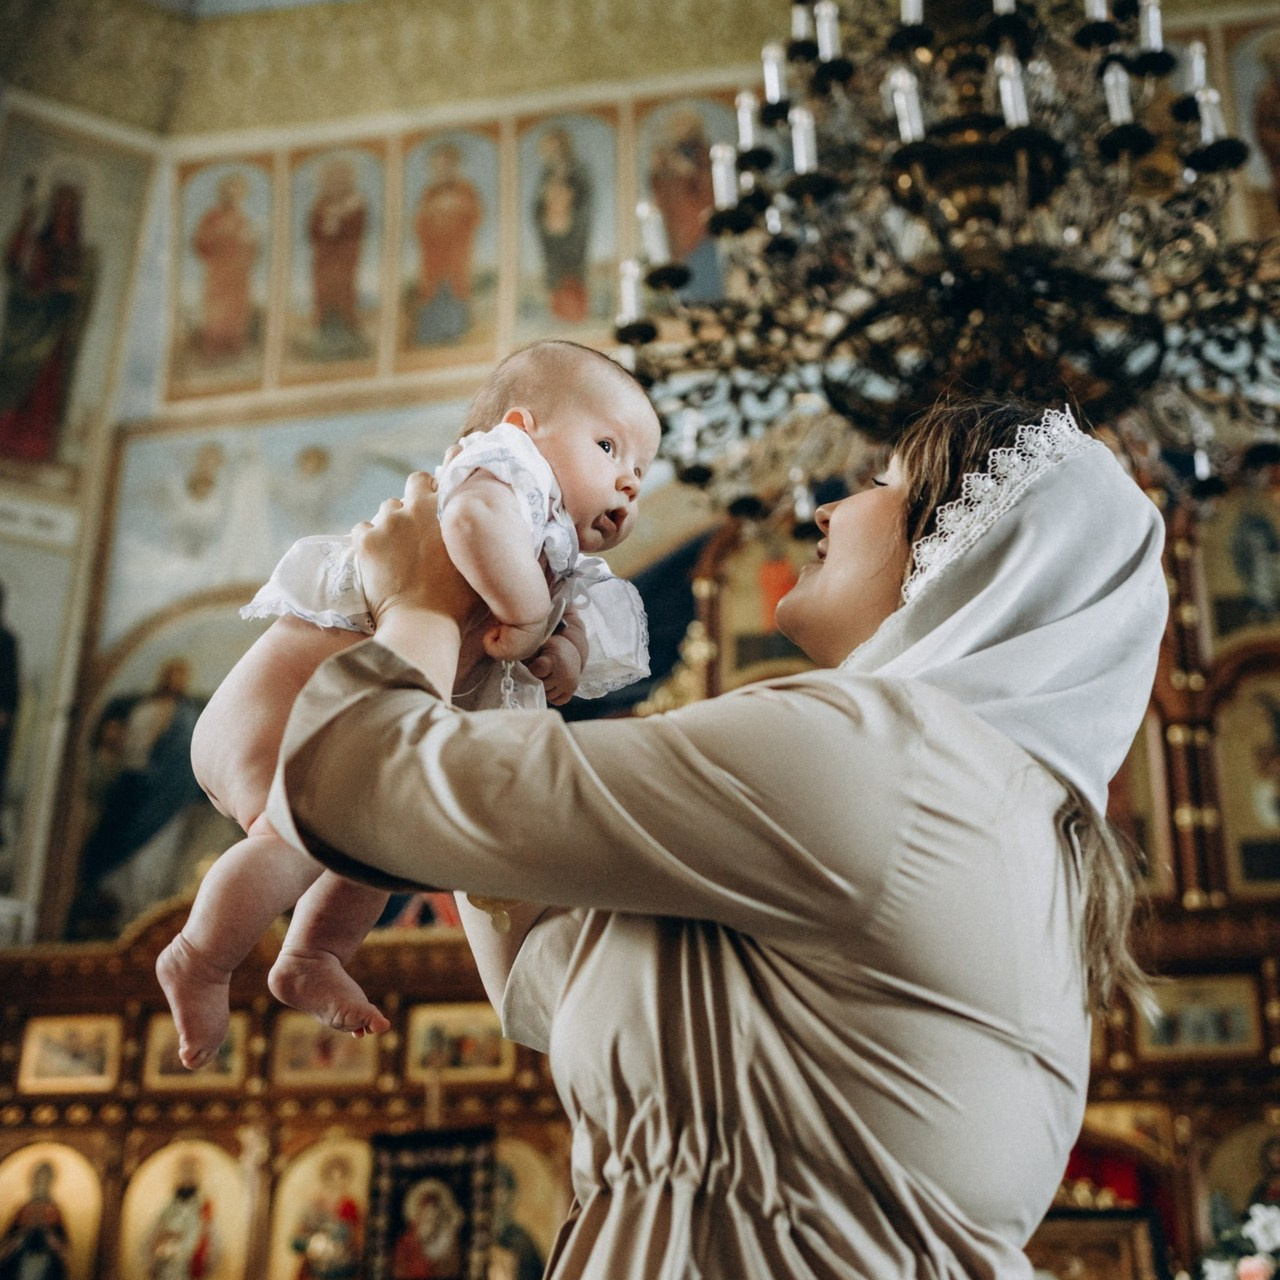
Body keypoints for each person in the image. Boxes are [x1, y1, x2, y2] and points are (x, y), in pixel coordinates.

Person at [260, 395, 1168, 1278]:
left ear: (971, 550)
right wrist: (492, 666)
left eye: (884, 484)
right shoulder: (995, 811)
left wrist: (418, 598)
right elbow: (543, 973)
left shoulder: (881, 760)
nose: (828, 508)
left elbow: (347, 776)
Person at [156, 339, 660, 1070]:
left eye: (640, 470)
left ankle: (314, 953)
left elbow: (566, 627)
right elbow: (470, 527)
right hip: (284, 703)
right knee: (290, 839)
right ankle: (199, 958)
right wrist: (523, 616)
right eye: (609, 446)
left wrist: (562, 655)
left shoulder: (560, 556)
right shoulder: (504, 476)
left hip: (351, 723)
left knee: (371, 844)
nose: (627, 479)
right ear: (521, 427)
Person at [412, 142, 483, 345]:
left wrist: (455, 206)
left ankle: (455, 332)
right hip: (433, 256)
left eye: (446, 166)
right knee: (433, 293)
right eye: (438, 167)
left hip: (456, 253)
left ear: (454, 167)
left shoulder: (465, 190)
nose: (442, 171)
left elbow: (476, 216)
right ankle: (431, 336)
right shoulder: (429, 194)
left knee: (454, 291)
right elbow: (419, 224)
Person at [191, 171, 259, 362]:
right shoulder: (211, 217)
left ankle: (233, 349)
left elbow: (252, 249)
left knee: (237, 310)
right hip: (219, 272)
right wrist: (221, 234)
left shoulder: (243, 219)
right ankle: (213, 351)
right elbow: (200, 243)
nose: (234, 194)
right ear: (224, 192)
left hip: (239, 274)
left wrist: (250, 241)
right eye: (231, 190)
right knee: (217, 309)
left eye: (238, 191)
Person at [532, 127, 592, 324]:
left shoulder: (577, 171)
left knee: (572, 273)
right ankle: (559, 314)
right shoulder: (545, 175)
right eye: (549, 150)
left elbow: (585, 201)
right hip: (551, 234)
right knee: (555, 273)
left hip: (573, 234)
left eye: (556, 148)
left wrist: (570, 217)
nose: (553, 153)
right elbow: (537, 208)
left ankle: (576, 313)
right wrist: (546, 220)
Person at [0, 1159, 69, 1280]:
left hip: (46, 1265)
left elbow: (64, 1252)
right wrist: (21, 1236)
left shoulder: (54, 1212)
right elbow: (5, 1247)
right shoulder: (24, 1210)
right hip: (20, 1264)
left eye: (45, 1180)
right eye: (38, 1180)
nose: (41, 1184)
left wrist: (48, 1234)